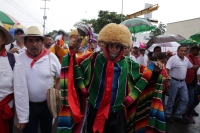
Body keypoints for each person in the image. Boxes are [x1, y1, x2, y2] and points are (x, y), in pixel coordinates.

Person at [58, 23, 165, 133]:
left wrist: (155, 71)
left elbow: (146, 78)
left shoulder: (129, 64)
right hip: (93, 111)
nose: (114, 49)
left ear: (122, 47)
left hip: (117, 114)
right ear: (106, 45)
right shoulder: (92, 59)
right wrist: (71, 53)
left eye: (117, 46)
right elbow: (73, 68)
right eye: (111, 45)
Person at [17, 26, 61, 133]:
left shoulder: (51, 57)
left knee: (47, 130)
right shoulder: (19, 59)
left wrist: (55, 93)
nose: (34, 44)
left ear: (42, 42)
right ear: (26, 43)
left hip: (48, 105)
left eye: (37, 40)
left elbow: (60, 77)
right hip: (28, 107)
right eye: (30, 41)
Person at [0, 23, 29, 133]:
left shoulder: (13, 59)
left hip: (5, 114)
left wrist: (23, 117)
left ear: (3, 40)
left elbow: (20, 89)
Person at [165, 45, 199, 124]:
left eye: (185, 51)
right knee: (171, 100)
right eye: (181, 50)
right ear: (177, 51)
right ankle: (167, 115)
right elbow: (167, 69)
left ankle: (178, 115)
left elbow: (191, 67)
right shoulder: (173, 59)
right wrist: (168, 80)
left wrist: (197, 67)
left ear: (186, 51)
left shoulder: (186, 60)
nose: (183, 52)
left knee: (185, 99)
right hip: (174, 81)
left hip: (183, 82)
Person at [185, 45, 200, 116]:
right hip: (185, 80)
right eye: (197, 50)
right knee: (180, 95)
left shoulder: (198, 59)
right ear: (192, 50)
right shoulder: (186, 58)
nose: (198, 52)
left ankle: (190, 110)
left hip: (193, 81)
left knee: (191, 96)